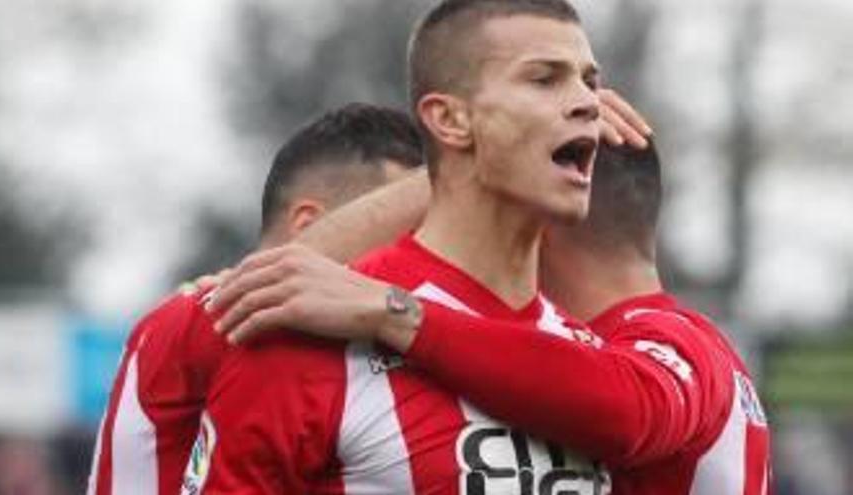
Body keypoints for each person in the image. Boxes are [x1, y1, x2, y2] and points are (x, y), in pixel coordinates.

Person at [192, 0, 634, 493]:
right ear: (449, 119)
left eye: (589, 81)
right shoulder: (308, 331)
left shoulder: (596, 360)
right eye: (544, 79)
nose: (588, 104)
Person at [210, 138, 774, 494]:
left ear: (545, 228)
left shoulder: (676, 345)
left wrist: (393, 311)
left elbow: (625, 411)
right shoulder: (658, 342)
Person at [86, 103, 425, 495]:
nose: (409, 253)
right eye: (398, 229)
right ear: (309, 226)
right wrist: (465, 171)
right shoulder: (197, 320)